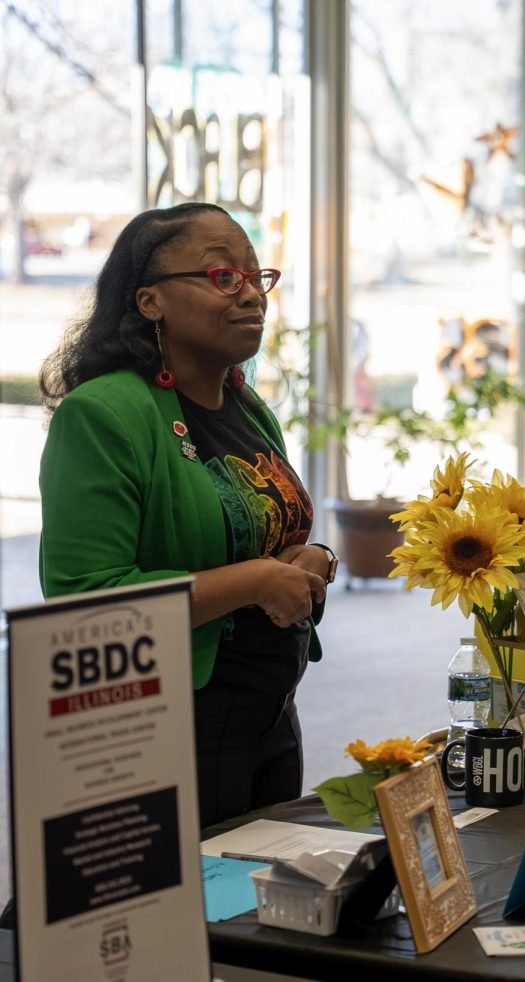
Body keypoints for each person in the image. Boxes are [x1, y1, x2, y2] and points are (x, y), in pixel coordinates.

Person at [39, 202, 336, 828]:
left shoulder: (246, 404)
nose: (251, 294)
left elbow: (267, 534)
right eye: (223, 277)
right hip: (172, 725)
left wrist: (314, 560)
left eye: (258, 277)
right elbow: (84, 604)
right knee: (201, 920)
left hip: (270, 710)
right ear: (151, 301)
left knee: (265, 910)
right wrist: (255, 582)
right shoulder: (102, 415)